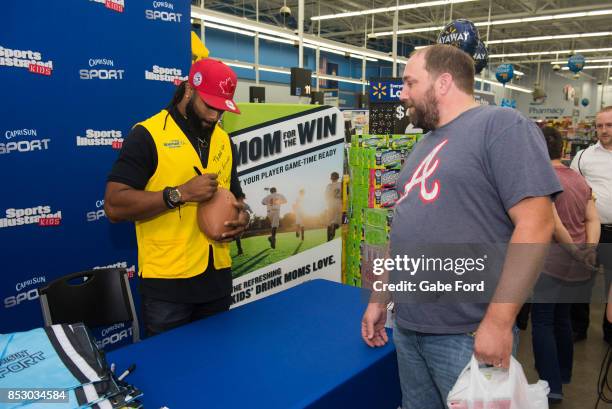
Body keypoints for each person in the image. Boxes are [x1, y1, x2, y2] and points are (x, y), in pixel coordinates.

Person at [361, 44, 562, 409]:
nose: (402, 93)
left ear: (443, 83)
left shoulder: (502, 126)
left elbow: (535, 224)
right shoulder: (423, 145)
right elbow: (403, 229)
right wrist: (380, 297)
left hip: (466, 333)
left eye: (409, 82)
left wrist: (500, 321)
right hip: (408, 327)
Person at [104, 59, 250, 337]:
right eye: (209, 106)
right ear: (188, 90)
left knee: (216, 366)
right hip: (168, 288)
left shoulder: (224, 140)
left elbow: (237, 196)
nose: (214, 117)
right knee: (170, 374)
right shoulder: (148, 135)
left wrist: (243, 216)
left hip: (217, 280)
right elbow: (113, 204)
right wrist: (178, 194)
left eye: (221, 110)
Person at [531, 126, 600, 404]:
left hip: (550, 263)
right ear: (562, 149)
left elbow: (554, 224)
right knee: (562, 319)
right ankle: (563, 374)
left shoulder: (541, 179)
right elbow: (592, 218)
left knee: (542, 323)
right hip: (576, 265)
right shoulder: (579, 180)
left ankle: (550, 384)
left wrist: (574, 251)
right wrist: (588, 250)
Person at [570, 106, 612, 343]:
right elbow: (571, 188)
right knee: (582, 280)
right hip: (591, 230)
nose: (603, 130)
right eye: (600, 126)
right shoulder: (584, 156)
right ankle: (579, 327)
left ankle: (610, 330)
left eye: (609, 125)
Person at [325, 172, 343, 241]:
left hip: (331, 204)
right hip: (338, 203)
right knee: (338, 222)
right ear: (338, 178)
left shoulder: (329, 186)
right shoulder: (341, 185)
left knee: (329, 222)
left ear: (331, 178)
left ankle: (328, 239)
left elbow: (326, 196)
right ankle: (334, 226)